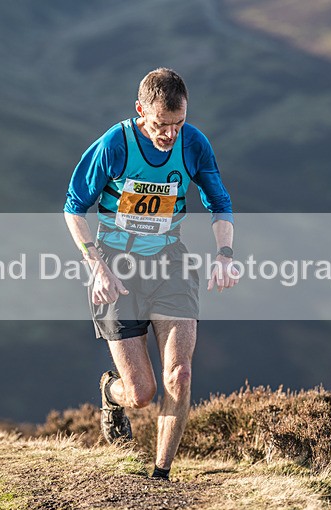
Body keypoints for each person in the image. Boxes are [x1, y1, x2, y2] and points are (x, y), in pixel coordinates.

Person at [63, 67, 237, 480]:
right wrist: (96, 264)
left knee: (180, 372)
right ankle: (111, 392)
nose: (170, 135)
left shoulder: (193, 143)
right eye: (161, 125)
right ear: (141, 110)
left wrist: (225, 254)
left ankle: (161, 474)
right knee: (141, 394)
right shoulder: (115, 145)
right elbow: (74, 207)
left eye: (179, 124)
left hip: (170, 263)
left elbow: (220, 202)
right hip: (116, 268)